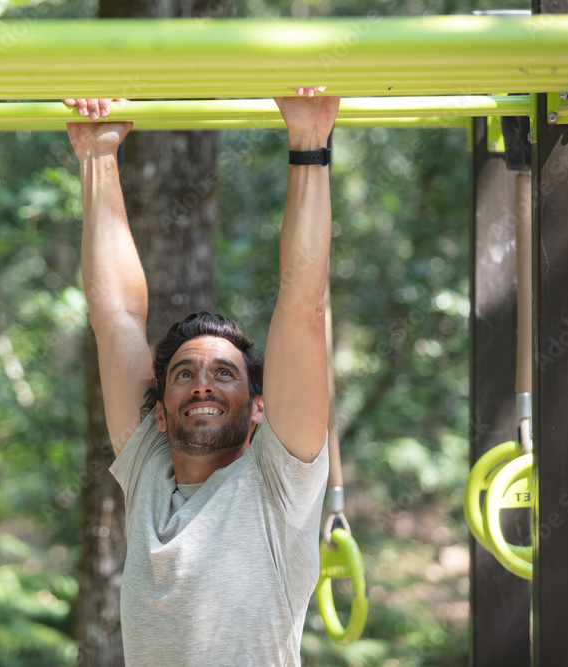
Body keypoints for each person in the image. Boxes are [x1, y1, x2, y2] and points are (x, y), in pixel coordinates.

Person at [64, 89, 340, 666]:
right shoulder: (149, 470)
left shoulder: (278, 482)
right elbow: (114, 318)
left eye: (224, 373)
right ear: (161, 414)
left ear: (259, 407)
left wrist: (309, 141)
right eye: (184, 373)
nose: (202, 383)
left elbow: (304, 307)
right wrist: (97, 156)